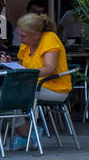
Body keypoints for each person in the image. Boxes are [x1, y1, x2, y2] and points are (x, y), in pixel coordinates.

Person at [12, 13, 71, 151]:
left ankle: (25, 134)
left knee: (9, 95)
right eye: (20, 34)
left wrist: (27, 74)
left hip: (55, 89)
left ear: (36, 35)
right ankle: (26, 132)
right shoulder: (26, 43)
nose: (20, 39)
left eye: (23, 36)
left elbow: (49, 68)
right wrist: (9, 63)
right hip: (31, 86)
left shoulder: (49, 39)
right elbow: (23, 64)